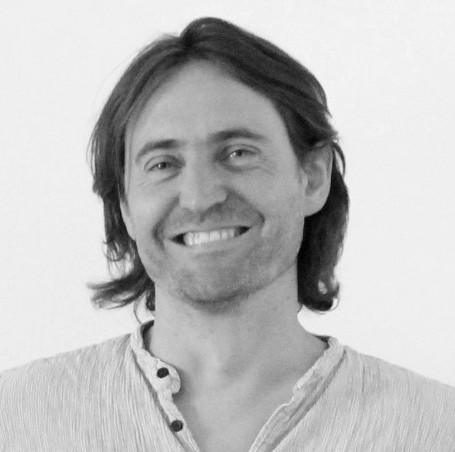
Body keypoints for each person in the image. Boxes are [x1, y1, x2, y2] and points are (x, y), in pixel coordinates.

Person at [1, 17, 454, 452]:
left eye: (238, 153)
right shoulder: (16, 421)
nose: (200, 198)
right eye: (163, 164)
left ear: (313, 178)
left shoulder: (436, 431)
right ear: (124, 206)